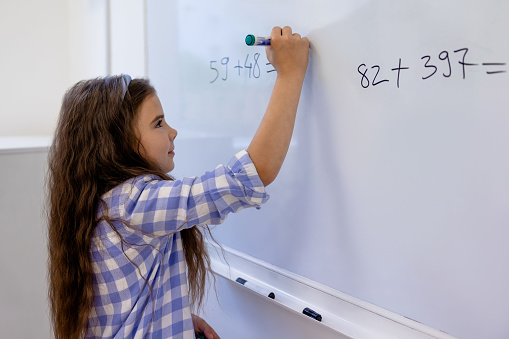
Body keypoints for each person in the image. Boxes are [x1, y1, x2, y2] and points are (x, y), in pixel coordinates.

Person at [47, 26, 309, 339]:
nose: (172, 132)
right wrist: (290, 74)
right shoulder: (136, 204)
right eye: (158, 123)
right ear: (116, 143)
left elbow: (119, 310)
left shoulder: (105, 202)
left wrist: (174, 319)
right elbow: (252, 173)